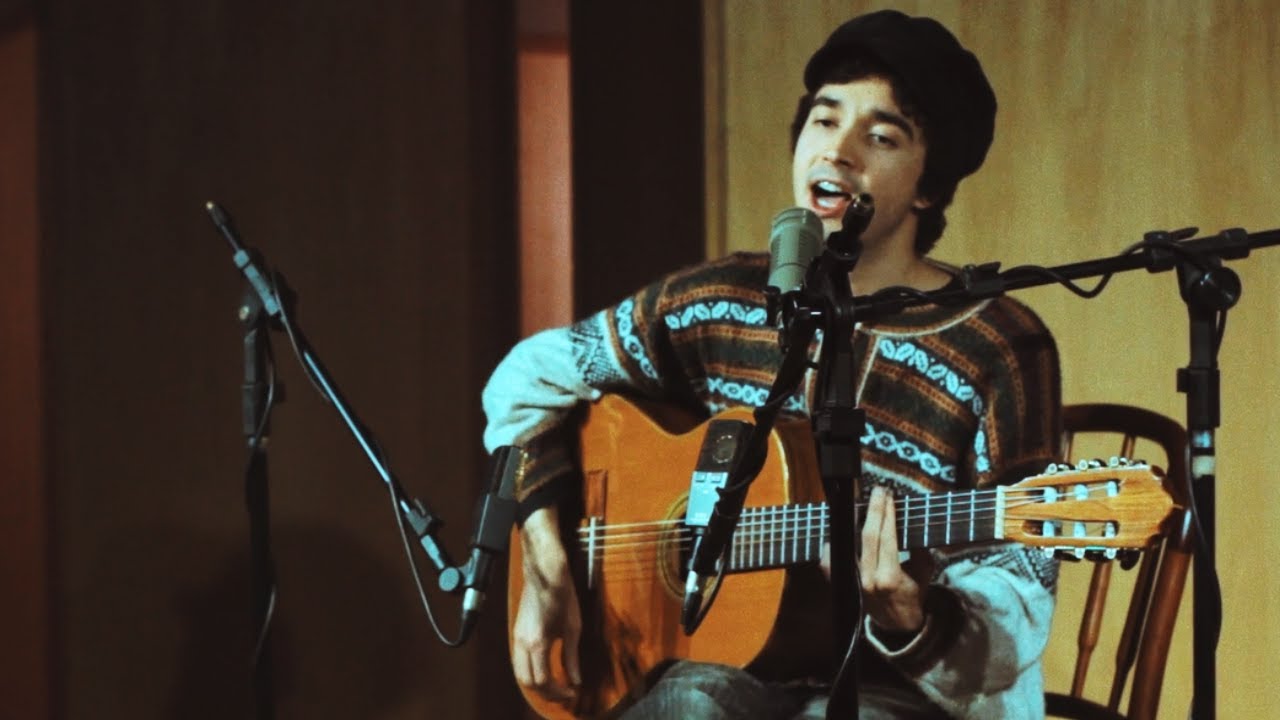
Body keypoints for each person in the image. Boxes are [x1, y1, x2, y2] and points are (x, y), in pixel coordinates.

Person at [482, 9, 1062, 720]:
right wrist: (547, 561)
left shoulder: (999, 343)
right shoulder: (721, 299)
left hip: (911, 697)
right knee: (688, 704)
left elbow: (1018, 599)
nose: (839, 151)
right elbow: (525, 379)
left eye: (881, 136)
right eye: (825, 120)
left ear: (928, 187)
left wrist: (910, 616)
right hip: (728, 676)